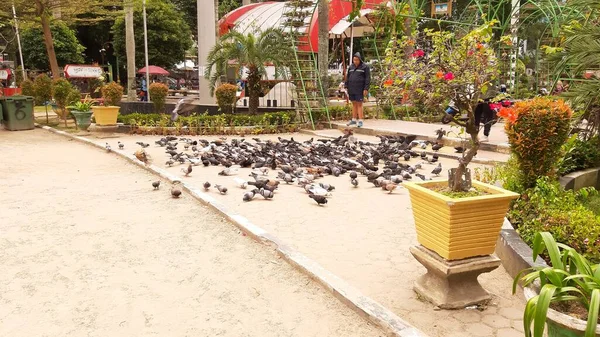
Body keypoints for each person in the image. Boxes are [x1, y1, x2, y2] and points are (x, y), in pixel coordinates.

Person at [345, 52, 371, 128]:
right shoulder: (351, 67)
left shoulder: (365, 67)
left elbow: (367, 78)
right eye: (354, 60)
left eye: (356, 60)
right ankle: (353, 119)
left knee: (359, 104)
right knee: (353, 104)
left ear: (360, 60)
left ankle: (360, 120)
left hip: (360, 88)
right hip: (351, 88)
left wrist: (366, 88)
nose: (355, 61)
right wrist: (346, 85)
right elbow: (348, 77)